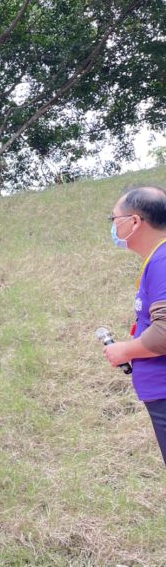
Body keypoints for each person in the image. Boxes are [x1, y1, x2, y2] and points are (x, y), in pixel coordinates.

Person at [103, 186, 166, 465]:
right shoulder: (157, 260)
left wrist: (125, 351)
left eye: (115, 220)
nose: (114, 227)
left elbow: (164, 333)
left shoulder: (163, 261)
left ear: (135, 222)